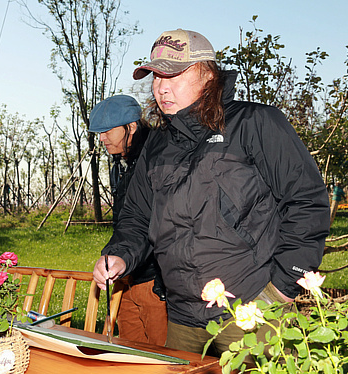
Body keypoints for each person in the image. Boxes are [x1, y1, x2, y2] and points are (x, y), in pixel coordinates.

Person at [92, 29, 329, 355]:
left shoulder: (255, 123)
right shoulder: (157, 144)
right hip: (183, 318)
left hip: (251, 311)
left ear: (209, 74)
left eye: (172, 75)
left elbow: (307, 202)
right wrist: (120, 253)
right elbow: (137, 216)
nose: (161, 87)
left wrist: (284, 286)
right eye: (155, 77)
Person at [88, 94, 168, 346]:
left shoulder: (160, 159)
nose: (102, 138)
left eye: (107, 131)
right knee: (130, 355)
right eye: (98, 132)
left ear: (131, 126)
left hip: (155, 282)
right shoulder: (124, 164)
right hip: (127, 278)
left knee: (164, 360)